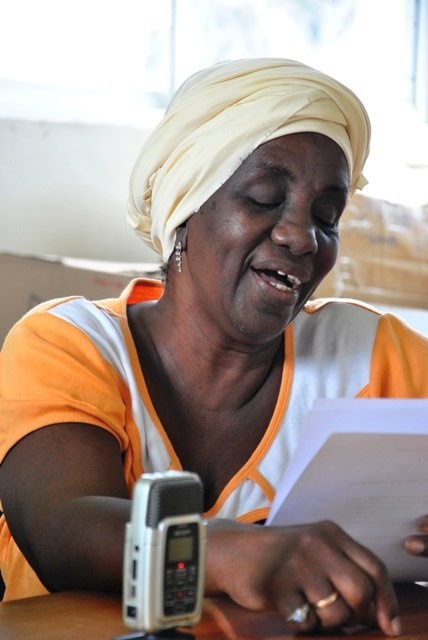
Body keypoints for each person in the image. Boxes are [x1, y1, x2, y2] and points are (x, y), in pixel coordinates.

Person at [1, 58, 428, 636]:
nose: (302, 237)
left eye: (326, 216)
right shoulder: (68, 345)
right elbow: (61, 527)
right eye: (262, 198)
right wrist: (232, 553)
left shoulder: (376, 356)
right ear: (185, 209)